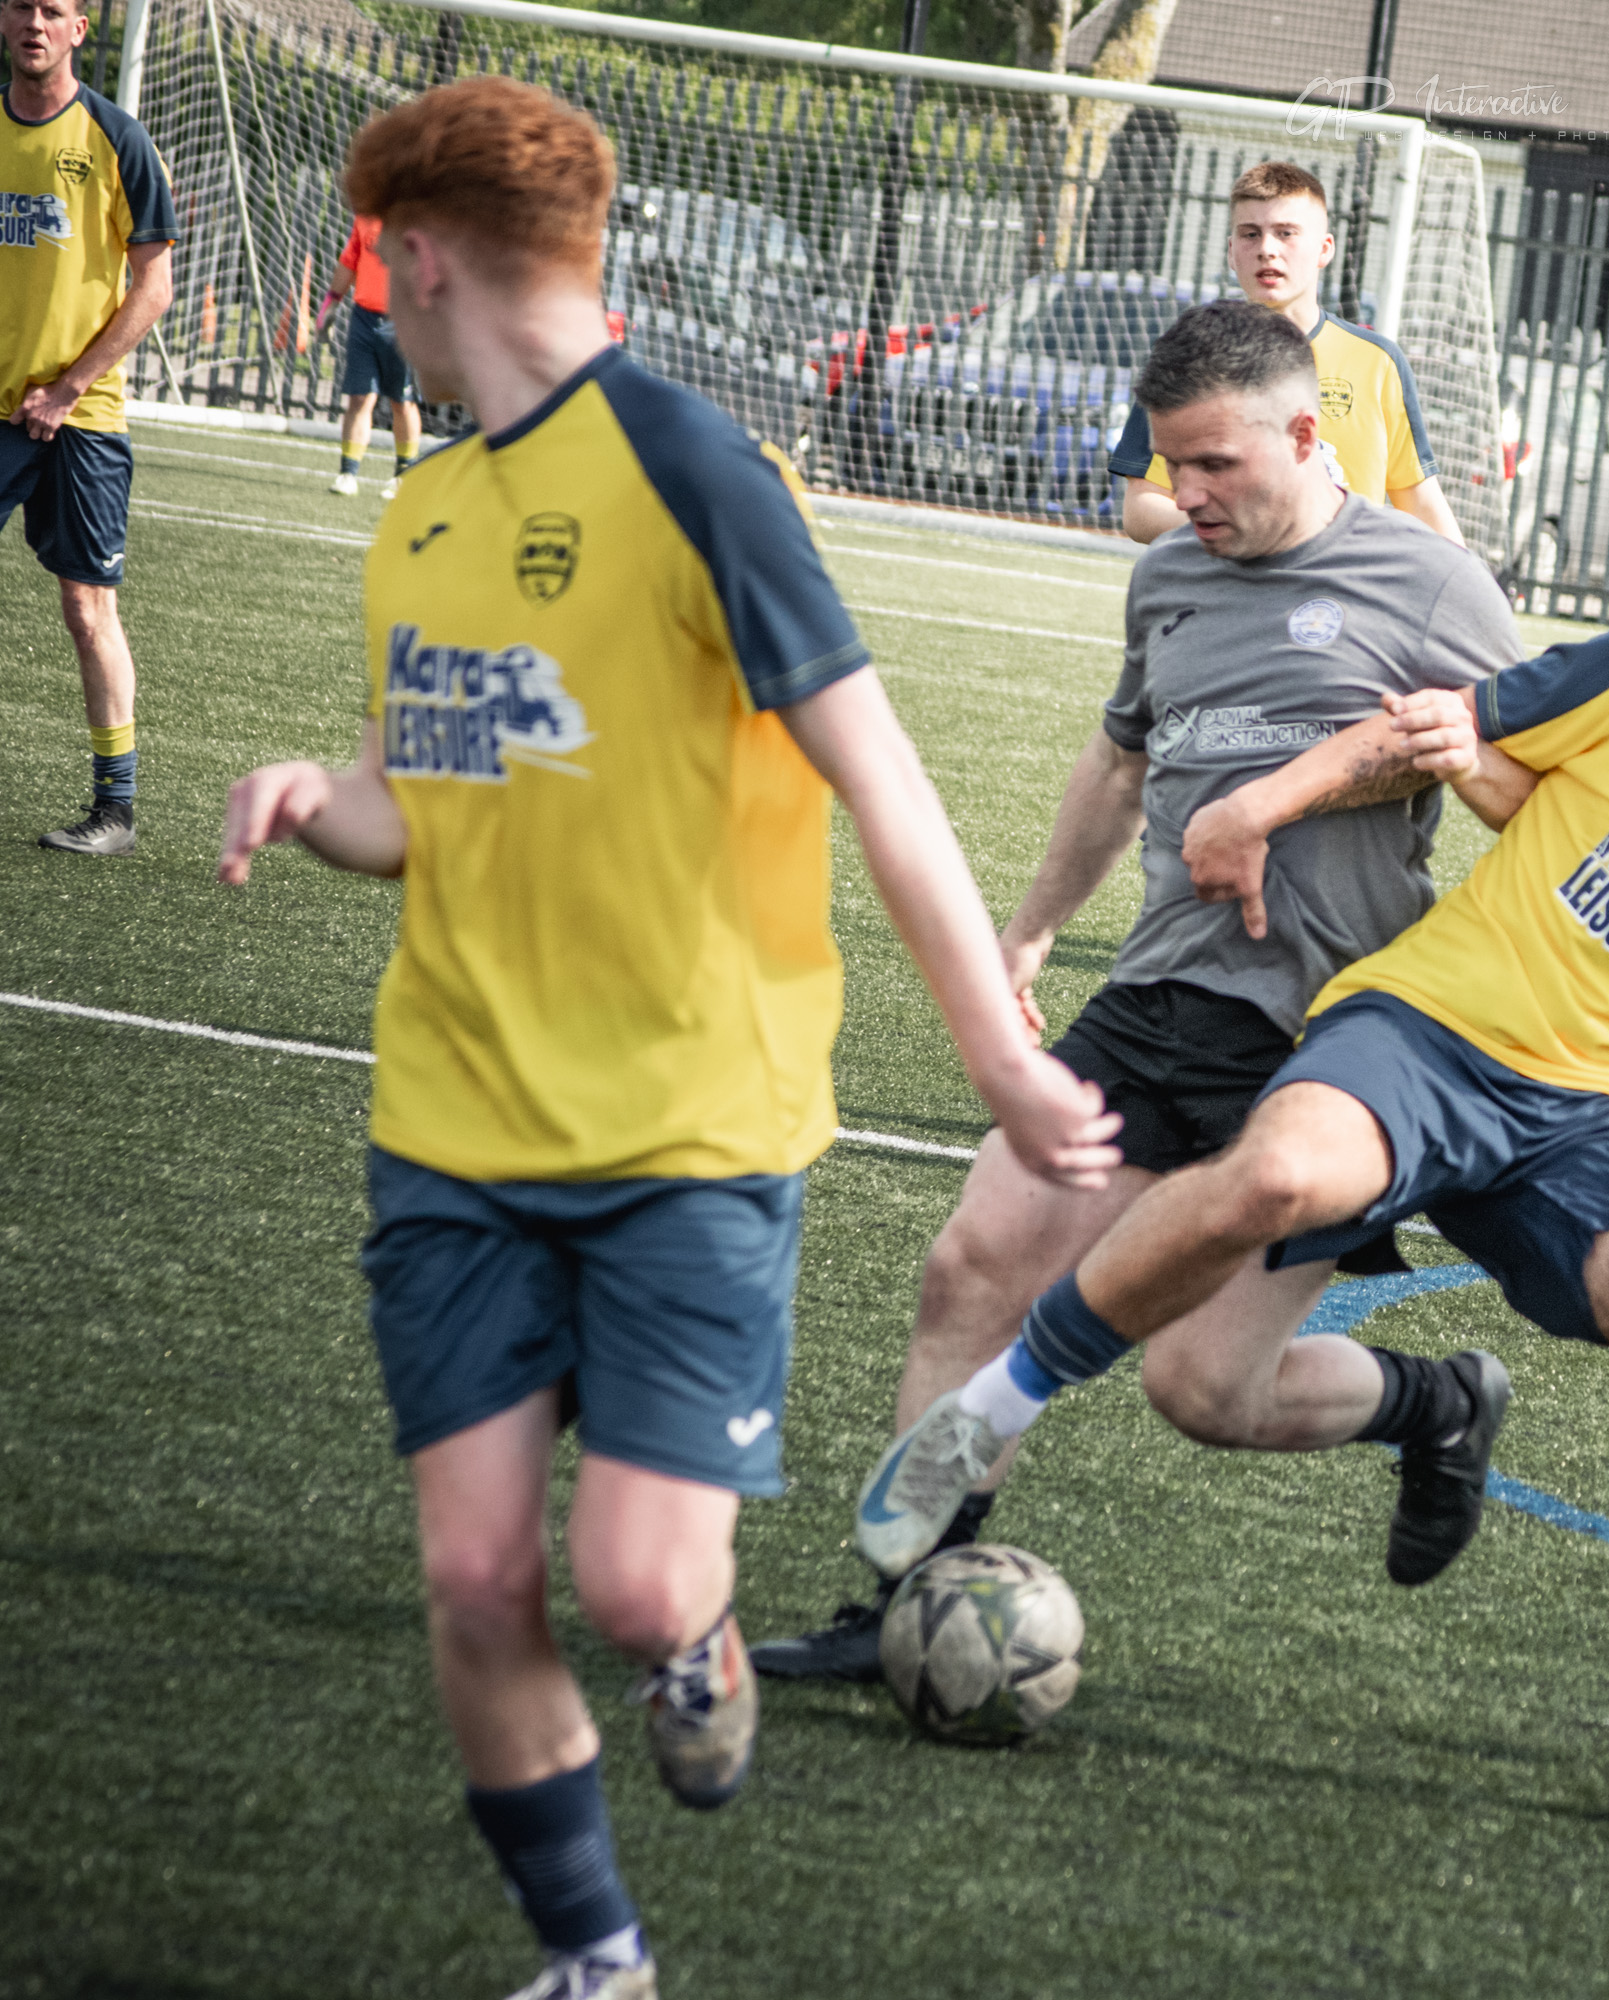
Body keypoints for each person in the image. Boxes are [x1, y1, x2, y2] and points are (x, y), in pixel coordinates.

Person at [216, 78, 1119, 2000]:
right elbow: (419, 795)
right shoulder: (430, 505)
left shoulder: (702, 472)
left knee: (632, 1584)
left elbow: (884, 787)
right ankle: (597, 1958)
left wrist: (1000, 1061)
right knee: (473, 1579)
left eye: (379, 265)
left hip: (690, 1136)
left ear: (426, 255)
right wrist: (316, 789)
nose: (374, 300)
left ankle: (693, 1652)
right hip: (452, 1130)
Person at [858, 543, 1609, 1859]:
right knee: (1265, 1202)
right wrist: (1260, 808)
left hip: (1594, 1119)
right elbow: (1434, 732)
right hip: (1426, 1029)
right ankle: (990, 1412)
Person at [755, 299, 1521, 1681]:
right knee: (973, 1265)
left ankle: (1439, 1402)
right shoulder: (1166, 578)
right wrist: (1032, 931)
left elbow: (1529, 795)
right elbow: (1119, 768)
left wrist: (1405, 756)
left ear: (1305, 431)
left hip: (1328, 1043)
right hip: (1162, 993)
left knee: (1205, 1391)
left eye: (1217, 465)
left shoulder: (1432, 583)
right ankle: (904, 1605)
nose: (1185, 495)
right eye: (1172, 465)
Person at [3, 0, 175, 857]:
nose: (35, 22)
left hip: (81, 416)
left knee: (86, 606)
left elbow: (155, 287)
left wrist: (67, 389)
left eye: (55, 10)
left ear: (77, 30)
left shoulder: (118, 139)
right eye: (21, 6)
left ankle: (116, 812)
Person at [1108, 160, 1463, 549]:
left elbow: (1423, 505)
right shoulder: (1190, 358)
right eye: (1250, 234)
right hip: (1230, 594)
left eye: (1286, 233)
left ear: (1324, 249)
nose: (1267, 250)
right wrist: (1263, 528)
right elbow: (1141, 510)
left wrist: (1467, 591)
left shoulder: (1377, 363)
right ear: (1231, 251)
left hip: (1340, 595)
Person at [323, 212, 422, 496]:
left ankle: (404, 475)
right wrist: (331, 302)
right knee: (359, 397)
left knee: (401, 401)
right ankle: (347, 473)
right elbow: (349, 261)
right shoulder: (366, 216)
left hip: (403, 318)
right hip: (364, 318)